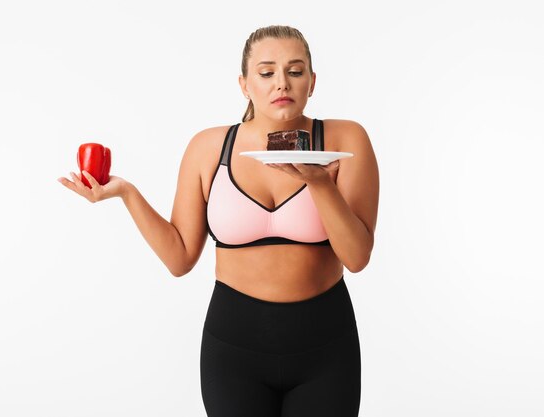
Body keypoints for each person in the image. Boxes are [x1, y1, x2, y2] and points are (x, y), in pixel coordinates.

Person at [58, 25, 379, 417]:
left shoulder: (345, 141)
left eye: (295, 72)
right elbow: (180, 259)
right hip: (234, 350)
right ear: (244, 84)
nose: (282, 82)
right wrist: (127, 192)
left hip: (325, 346)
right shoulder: (208, 148)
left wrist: (320, 183)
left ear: (312, 83)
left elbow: (358, 257)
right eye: (266, 73)